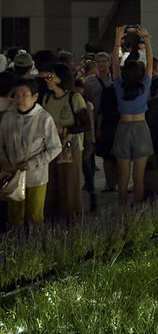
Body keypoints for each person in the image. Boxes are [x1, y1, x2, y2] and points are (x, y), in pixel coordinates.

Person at [0, 79, 61, 227]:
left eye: (24, 94)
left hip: (36, 176)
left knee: (34, 215)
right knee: (14, 215)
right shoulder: (8, 117)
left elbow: (55, 147)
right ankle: (17, 245)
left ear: (35, 97)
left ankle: (34, 246)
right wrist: (4, 160)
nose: (20, 98)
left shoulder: (44, 118)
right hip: (12, 174)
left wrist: (34, 163)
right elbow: (1, 143)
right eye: (17, 94)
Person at [111, 25, 154, 206]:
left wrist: (117, 40)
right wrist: (146, 38)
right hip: (141, 130)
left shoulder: (118, 86)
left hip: (123, 129)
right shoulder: (144, 86)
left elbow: (114, 63)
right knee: (139, 178)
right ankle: (137, 214)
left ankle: (121, 213)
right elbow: (151, 62)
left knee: (123, 177)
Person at [42, 63, 91, 220]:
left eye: (52, 76)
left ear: (62, 79)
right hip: (49, 148)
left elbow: (85, 125)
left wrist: (64, 130)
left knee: (69, 186)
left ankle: (71, 220)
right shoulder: (47, 98)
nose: (48, 80)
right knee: (52, 185)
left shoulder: (74, 98)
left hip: (69, 148)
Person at [84, 52, 119, 193]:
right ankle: (90, 181)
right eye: (99, 62)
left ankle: (112, 182)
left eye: (105, 61)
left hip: (112, 120)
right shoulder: (89, 81)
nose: (102, 64)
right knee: (94, 152)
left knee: (112, 153)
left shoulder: (115, 80)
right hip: (94, 119)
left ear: (109, 63)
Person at [74, 78, 97, 211]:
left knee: (86, 165)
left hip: (86, 139)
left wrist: (92, 139)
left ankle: (91, 190)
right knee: (85, 165)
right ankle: (90, 190)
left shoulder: (87, 104)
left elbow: (90, 124)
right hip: (78, 139)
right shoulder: (78, 102)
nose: (78, 92)